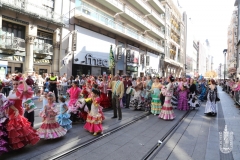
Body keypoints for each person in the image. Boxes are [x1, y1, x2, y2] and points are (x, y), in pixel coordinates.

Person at [5, 79, 39, 150]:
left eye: (16, 84)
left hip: (17, 110)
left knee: (16, 125)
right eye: (14, 84)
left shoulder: (20, 92)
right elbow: (7, 100)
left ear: (19, 85)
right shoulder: (11, 91)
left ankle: (20, 142)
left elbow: (26, 91)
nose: (15, 85)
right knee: (12, 127)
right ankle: (16, 142)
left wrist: (23, 82)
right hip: (10, 110)